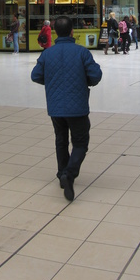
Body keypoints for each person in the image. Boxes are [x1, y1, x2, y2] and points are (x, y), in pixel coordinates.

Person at [31, 15, 102, 201]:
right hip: (77, 106)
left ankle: (62, 173)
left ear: (55, 32)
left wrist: (52, 82)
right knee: (80, 143)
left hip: (55, 107)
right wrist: (84, 81)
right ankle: (69, 174)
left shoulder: (47, 54)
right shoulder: (82, 52)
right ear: (72, 31)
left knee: (60, 140)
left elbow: (35, 76)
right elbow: (95, 75)